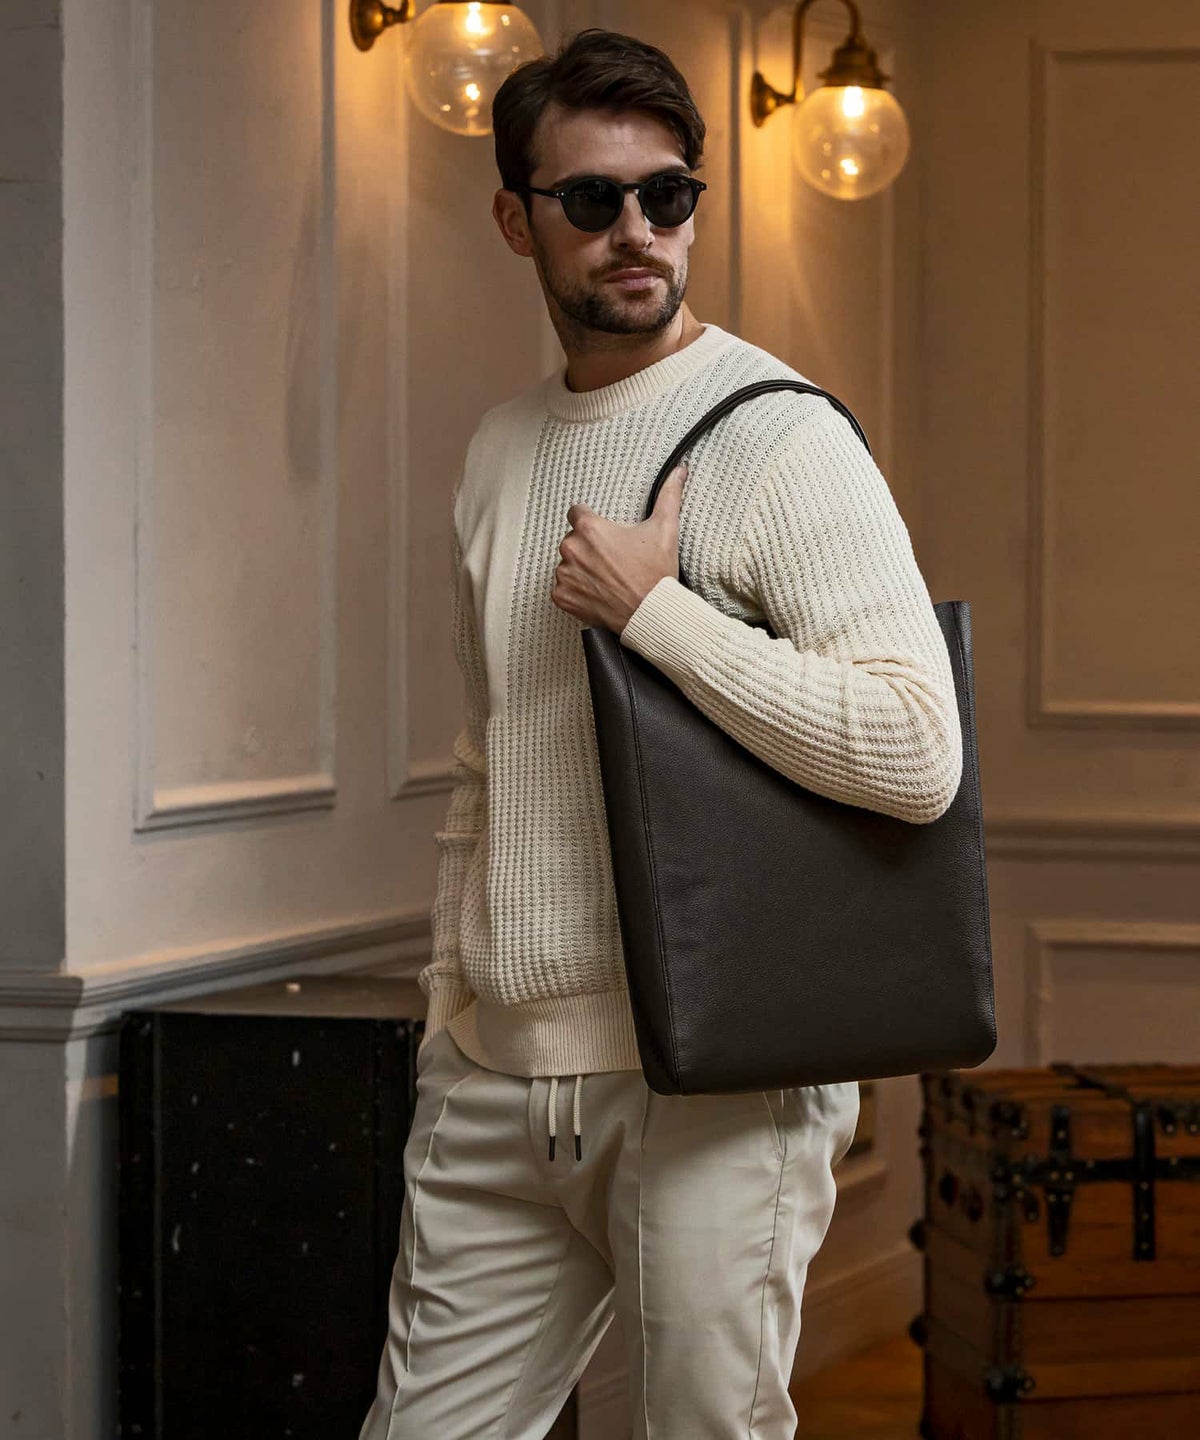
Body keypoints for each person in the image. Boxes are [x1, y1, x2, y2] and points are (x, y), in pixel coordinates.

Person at [359, 25, 961, 1440]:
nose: (637, 230)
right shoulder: (500, 449)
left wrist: (656, 615)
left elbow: (915, 748)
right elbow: (489, 764)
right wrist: (451, 1018)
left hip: (720, 1079)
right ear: (517, 220)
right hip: (498, 1074)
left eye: (668, 195)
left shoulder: (780, 438)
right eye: (592, 198)